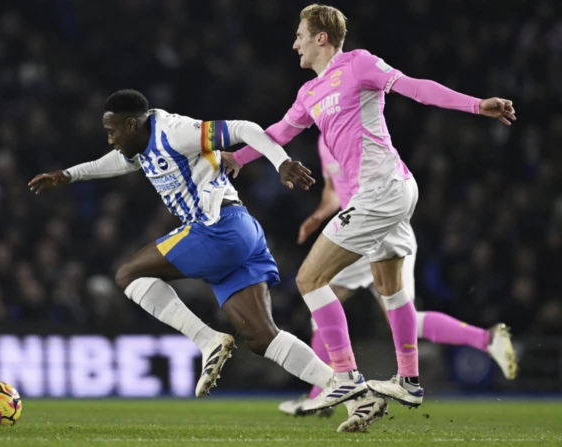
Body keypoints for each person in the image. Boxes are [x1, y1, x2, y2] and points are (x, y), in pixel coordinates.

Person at [28, 89, 381, 432]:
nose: (109, 140)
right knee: (261, 338)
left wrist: (282, 162)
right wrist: (68, 175)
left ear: (132, 124)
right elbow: (117, 162)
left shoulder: (176, 131)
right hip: (240, 233)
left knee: (127, 274)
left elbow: (243, 128)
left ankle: (207, 340)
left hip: (217, 230)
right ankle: (357, 395)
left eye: (111, 131)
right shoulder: (141, 145)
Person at [222, 4, 516, 410]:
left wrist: (475, 104)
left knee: (309, 280)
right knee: (391, 289)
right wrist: (238, 158)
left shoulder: (358, 64)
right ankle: (409, 380)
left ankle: (343, 376)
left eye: (300, 35)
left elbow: (415, 87)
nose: (295, 44)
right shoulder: (309, 93)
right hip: (381, 194)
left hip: (384, 189)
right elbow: (278, 133)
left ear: (321, 37)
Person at [265, 136, 517, 416]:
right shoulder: (327, 139)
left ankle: (323, 392)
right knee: (404, 318)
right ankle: (486, 338)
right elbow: (334, 190)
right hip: (384, 228)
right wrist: (319, 215)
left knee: (317, 295)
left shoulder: (355, 128)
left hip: (367, 229)